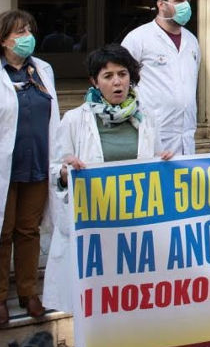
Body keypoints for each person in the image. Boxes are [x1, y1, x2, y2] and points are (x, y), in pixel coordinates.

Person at [43, 45, 173, 313]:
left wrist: (164, 161)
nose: (117, 82)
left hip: (135, 225)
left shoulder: (146, 118)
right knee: (95, 301)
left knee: (132, 296)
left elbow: (154, 158)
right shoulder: (75, 120)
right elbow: (56, 170)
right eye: (108, 76)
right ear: (94, 81)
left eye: (123, 74)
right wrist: (67, 172)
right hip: (96, 227)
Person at [0, 9, 60, 326]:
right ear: (2, 39)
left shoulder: (43, 70)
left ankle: (28, 292)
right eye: (20, 32)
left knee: (29, 231)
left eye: (29, 31)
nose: (27, 37)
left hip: (37, 164)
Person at [121, 0, 200, 155]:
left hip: (186, 135)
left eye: (188, 1)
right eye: (179, 1)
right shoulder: (138, 38)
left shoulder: (192, 41)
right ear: (161, 4)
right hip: (153, 132)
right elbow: (123, 83)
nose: (186, 6)